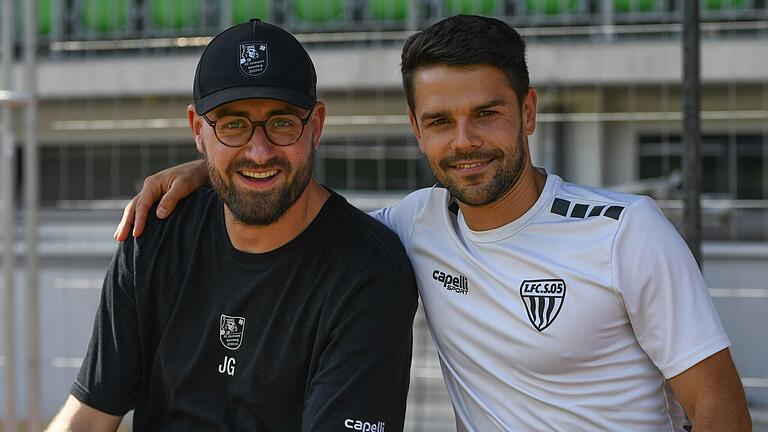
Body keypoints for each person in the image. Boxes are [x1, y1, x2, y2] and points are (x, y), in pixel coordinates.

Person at [114, 15, 752, 431]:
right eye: (441, 122)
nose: (466, 141)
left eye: (487, 114)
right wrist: (204, 169)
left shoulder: (626, 231)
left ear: (528, 112)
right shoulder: (413, 226)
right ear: (418, 130)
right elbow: (291, 205)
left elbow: (718, 407)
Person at [47, 19, 417, 432]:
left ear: (315, 127)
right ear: (197, 130)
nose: (259, 152)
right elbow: (90, 415)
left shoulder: (370, 271)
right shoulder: (154, 235)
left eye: (281, 123)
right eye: (233, 125)